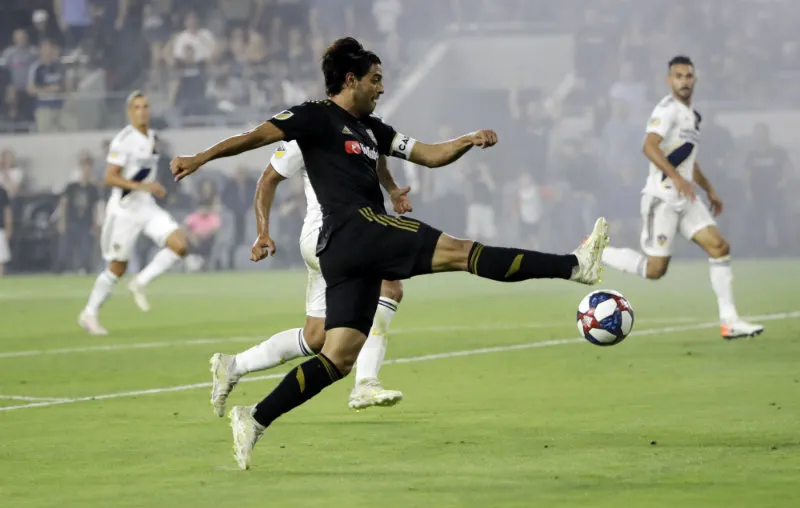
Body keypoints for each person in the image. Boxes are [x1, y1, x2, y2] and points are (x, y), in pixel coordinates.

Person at [170, 37, 608, 469]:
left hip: (347, 252)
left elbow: (429, 155)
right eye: (375, 80)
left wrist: (467, 139)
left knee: (338, 354)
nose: (382, 88)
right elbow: (256, 138)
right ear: (350, 79)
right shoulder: (315, 116)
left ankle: (255, 417)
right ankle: (575, 266)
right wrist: (201, 158)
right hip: (355, 231)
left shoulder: (373, 130)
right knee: (463, 252)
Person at [210, 140, 406, 418]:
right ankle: (365, 382)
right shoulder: (310, 126)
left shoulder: (370, 124)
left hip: (343, 235)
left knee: (316, 337)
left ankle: (234, 365)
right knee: (389, 287)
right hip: (331, 234)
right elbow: (269, 177)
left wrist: (393, 189)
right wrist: (262, 231)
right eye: (372, 91)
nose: (378, 93)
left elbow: (380, 161)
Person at [601, 56, 763, 340]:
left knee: (719, 247)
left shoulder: (692, 116)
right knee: (655, 270)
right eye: (678, 76)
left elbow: (688, 159)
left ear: (695, 80)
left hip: (685, 198)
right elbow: (649, 147)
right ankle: (598, 252)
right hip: (662, 198)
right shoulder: (667, 110)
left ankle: (730, 321)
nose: (684, 81)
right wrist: (676, 178)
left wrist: (709, 189)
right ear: (669, 80)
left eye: (688, 76)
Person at [78, 91, 189, 335]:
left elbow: (142, 171)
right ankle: (89, 313)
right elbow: (110, 177)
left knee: (180, 245)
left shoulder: (152, 137)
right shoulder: (123, 140)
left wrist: (154, 186)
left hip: (147, 206)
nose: (142, 111)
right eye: (137, 107)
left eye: (146, 106)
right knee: (117, 267)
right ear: (130, 112)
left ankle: (140, 282)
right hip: (124, 212)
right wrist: (142, 186)